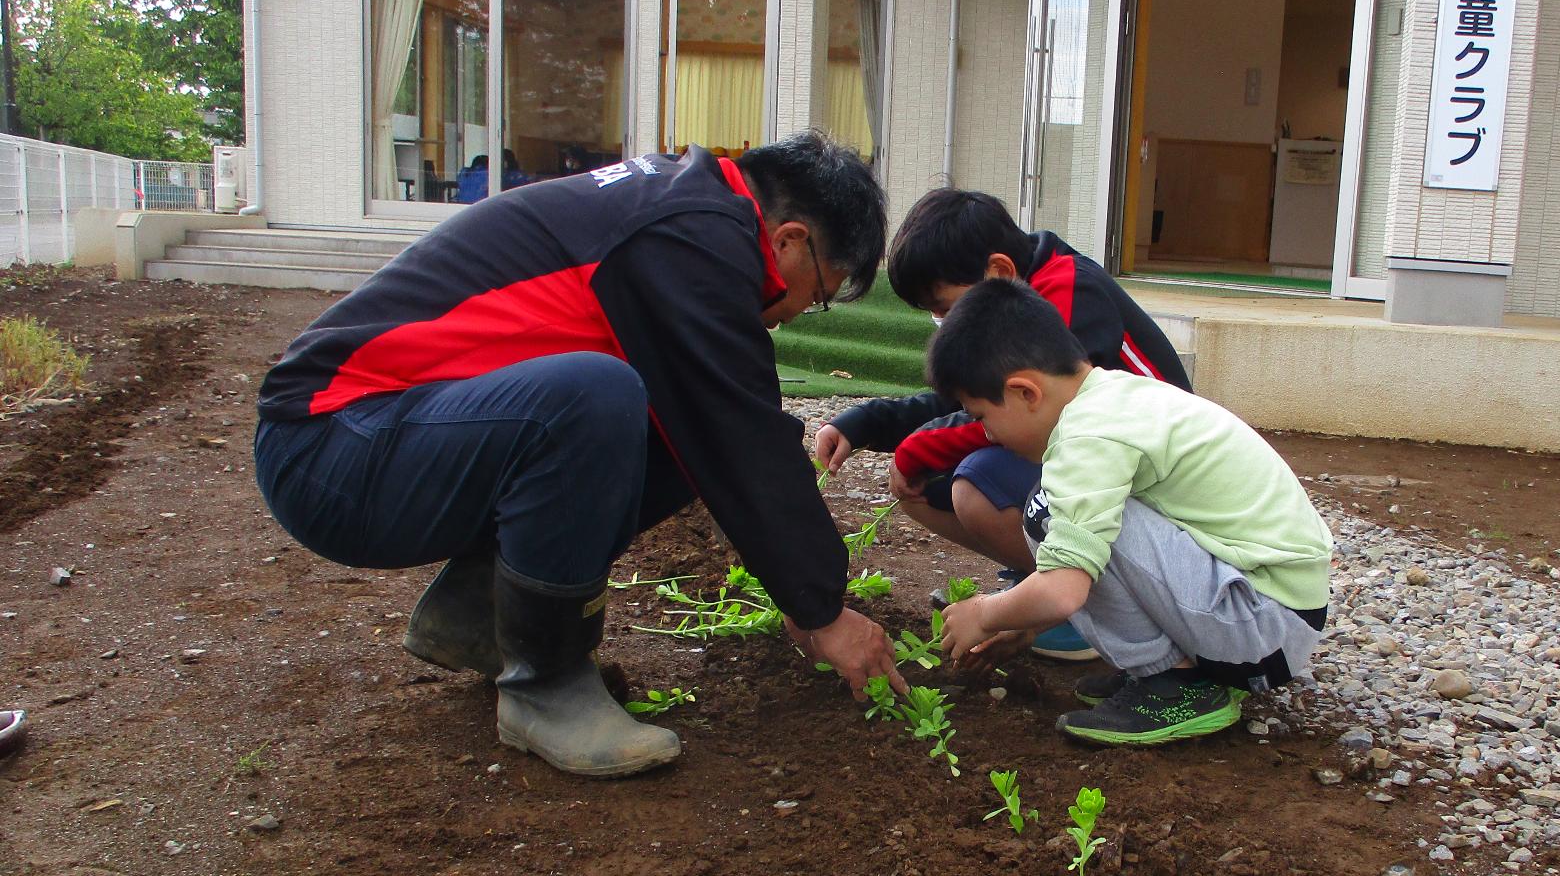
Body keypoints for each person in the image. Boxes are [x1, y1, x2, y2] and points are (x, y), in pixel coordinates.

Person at [254, 132, 906, 778]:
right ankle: (546, 689)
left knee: (673, 423)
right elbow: (744, 435)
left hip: (384, 434)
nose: (796, 313)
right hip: (330, 447)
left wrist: (808, 597)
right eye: (817, 293)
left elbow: (732, 426)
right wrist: (821, 612)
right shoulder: (691, 235)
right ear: (790, 240)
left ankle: (481, 616)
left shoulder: (688, 215)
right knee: (598, 397)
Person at [931, 280, 1332, 747]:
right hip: (1275, 613)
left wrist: (985, 613)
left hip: (1263, 630)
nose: (988, 435)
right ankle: (1167, 668)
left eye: (981, 416)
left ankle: (1174, 682)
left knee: (1047, 511)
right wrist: (1025, 626)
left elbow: (1063, 591)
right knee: (1075, 515)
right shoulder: (1114, 396)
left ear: (1025, 392)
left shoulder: (1088, 438)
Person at [810, 188, 1189, 662]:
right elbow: (970, 401)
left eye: (945, 307)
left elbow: (1032, 417)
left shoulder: (1069, 295)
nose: (943, 322)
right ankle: (1044, 587)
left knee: (977, 482)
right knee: (934, 483)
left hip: (1155, 488)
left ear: (998, 272)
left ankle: (1086, 609)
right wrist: (866, 424)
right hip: (1101, 462)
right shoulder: (1023, 293)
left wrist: (916, 450)